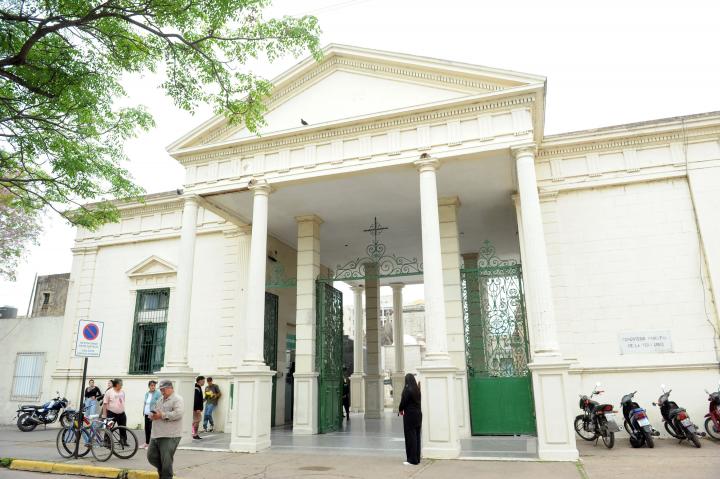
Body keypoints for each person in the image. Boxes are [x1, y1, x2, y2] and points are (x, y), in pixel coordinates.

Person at [147, 379, 184, 479]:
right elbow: (157, 411)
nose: (162, 391)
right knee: (151, 456)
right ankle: (164, 472)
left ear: (170, 388)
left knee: (166, 461)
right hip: (156, 434)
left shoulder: (177, 399)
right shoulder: (160, 399)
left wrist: (162, 415)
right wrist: (152, 415)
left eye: (163, 389)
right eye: (161, 389)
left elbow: (178, 414)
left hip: (170, 435)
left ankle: (166, 475)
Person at [398, 373, 422, 466]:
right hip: (418, 415)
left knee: (410, 437)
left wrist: (400, 409)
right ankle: (417, 458)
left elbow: (403, 402)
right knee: (417, 437)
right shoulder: (417, 390)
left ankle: (412, 460)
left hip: (410, 416)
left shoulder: (407, 390)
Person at [103, 378, 128, 446]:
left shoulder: (122, 392)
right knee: (109, 428)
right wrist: (104, 415)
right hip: (111, 413)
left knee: (123, 428)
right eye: (121, 384)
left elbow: (123, 401)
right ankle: (106, 441)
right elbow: (105, 403)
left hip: (122, 413)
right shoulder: (109, 392)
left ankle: (123, 441)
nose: (122, 385)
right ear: (117, 384)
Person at [142, 380, 161, 449]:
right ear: (149, 386)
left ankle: (152, 445)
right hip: (146, 413)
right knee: (147, 429)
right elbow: (145, 403)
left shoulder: (158, 393)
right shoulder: (147, 394)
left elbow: (159, 403)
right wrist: (143, 411)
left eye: (154, 386)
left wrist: (155, 412)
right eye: (151, 385)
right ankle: (147, 443)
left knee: (151, 429)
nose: (153, 387)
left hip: (152, 414)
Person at [192, 375, 205, 440]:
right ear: (199, 381)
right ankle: (194, 434)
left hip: (197, 408)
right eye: (203, 381)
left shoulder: (198, 387)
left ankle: (194, 433)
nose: (204, 382)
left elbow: (199, 399)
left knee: (196, 421)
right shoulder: (197, 388)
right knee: (197, 420)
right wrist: (197, 408)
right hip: (196, 409)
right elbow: (196, 399)